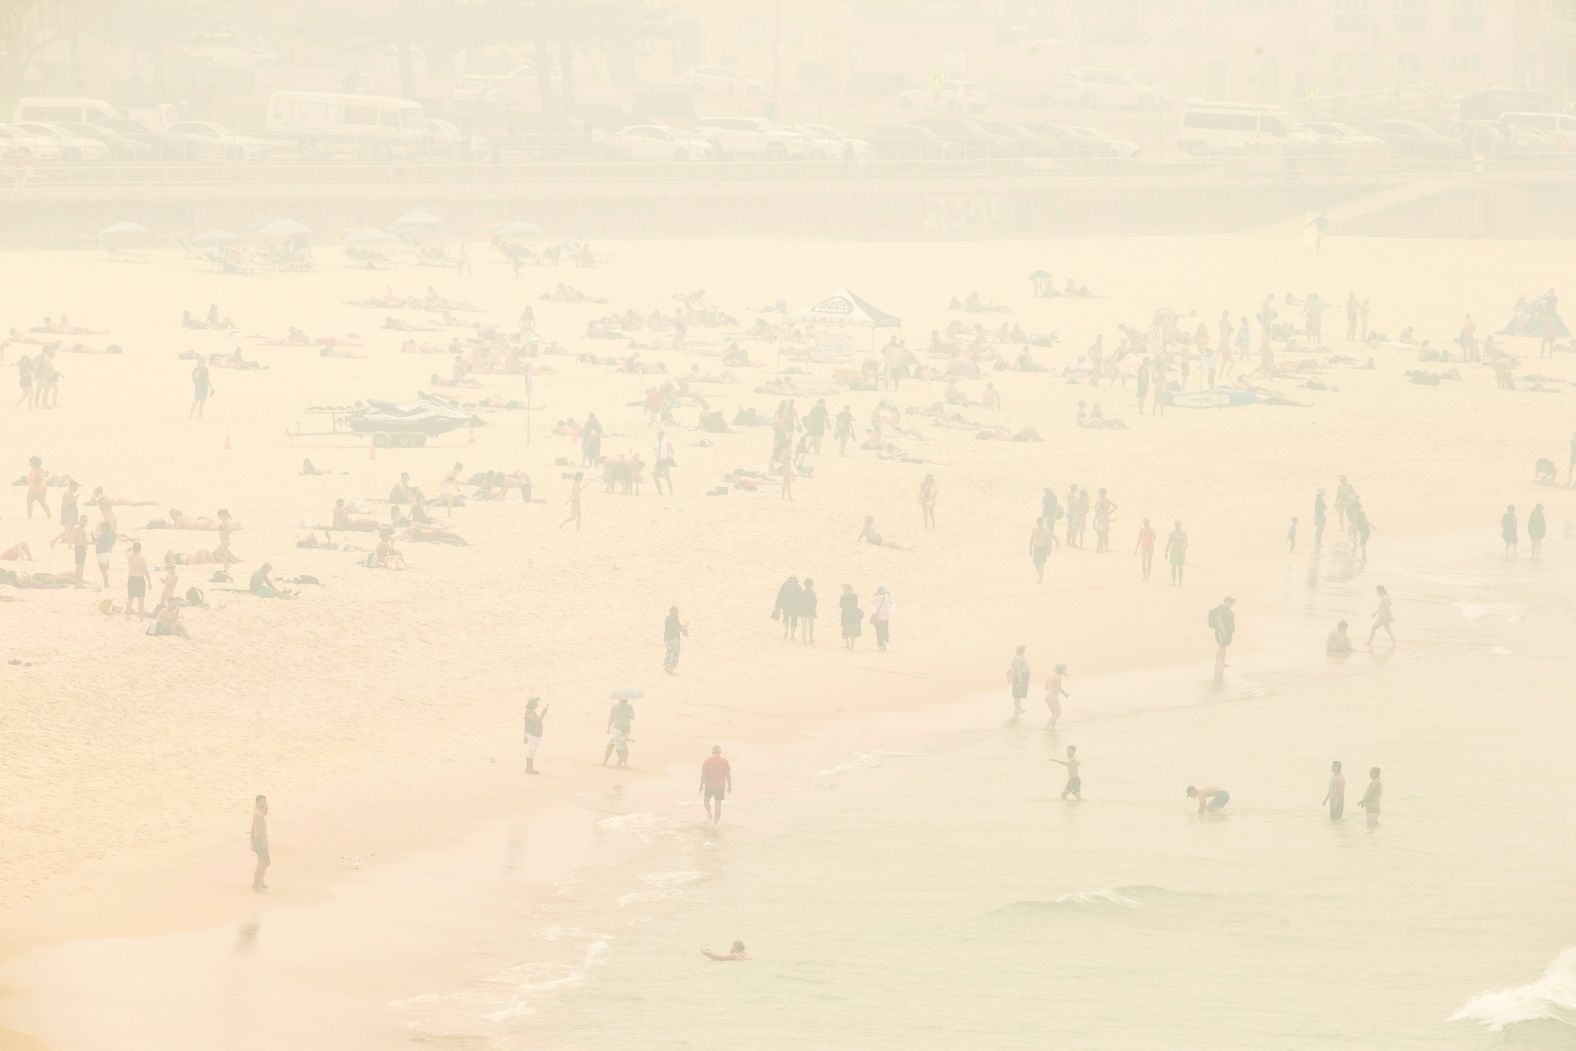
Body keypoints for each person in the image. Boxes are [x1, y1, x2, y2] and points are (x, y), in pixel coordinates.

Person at [700, 745, 732, 825]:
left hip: (709, 786)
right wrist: (729, 785)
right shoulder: (724, 761)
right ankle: (716, 824)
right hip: (720, 787)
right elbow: (728, 775)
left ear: (712, 751)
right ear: (720, 752)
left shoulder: (707, 760)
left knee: (706, 801)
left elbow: (703, 774)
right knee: (718, 805)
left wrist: (701, 785)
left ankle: (709, 812)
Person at [1208, 596, 1236, 683]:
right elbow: (1218, 619)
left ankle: (1222, 662)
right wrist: (1223, 630)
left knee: (1224, 646)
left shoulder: (1227, 609)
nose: (1231, 605)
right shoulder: (1220, 609)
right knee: (1221, 646)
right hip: (1221, 631)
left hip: (1227, 632)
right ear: (1226, 602)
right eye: (1230, 603)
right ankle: (1218, 662)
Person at [604, 696, 634, 767]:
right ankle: (622, 763)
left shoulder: (615, 706)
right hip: (624, 729)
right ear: (627, 699)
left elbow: (611, 717)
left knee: (611, 746)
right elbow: (632, 717)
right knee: (623, 747)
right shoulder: (629, 707)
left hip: (617, 729)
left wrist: (608, 728)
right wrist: (629, 715)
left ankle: (605, 762)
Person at [124, 541, 152, 619]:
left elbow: (125, 551)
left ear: (133, 549)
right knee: (140, 600)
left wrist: (131, 548)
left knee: (130, 599)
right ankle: (141, 617)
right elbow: (146, 571)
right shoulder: (141, 558)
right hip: (140, 579)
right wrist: (149, 582)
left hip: (132, 578)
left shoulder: (130, 557)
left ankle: (127, 616)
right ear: (140, 549)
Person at [250, 795, 270, 892]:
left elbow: (266, 813)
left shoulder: (259, 812)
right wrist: (257, 842)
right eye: (263, 801)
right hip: (260, 840)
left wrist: (266, 807)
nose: (265, 803)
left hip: (262, 839)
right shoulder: (257, 814)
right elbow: (255, 829)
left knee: (266, 862)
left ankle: (259, 881)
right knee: (261, 863)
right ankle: (256, 885)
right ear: (258, 802)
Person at [523, 697, 547, 775]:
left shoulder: (531, 712)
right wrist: (543, 713)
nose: (536, 705)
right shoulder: (529, 713)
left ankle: (529, 769)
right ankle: (529, 769)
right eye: (535, 703)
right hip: (532, 734)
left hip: (533, 734)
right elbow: (537, 721)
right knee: (531, 751)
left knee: (532, 751)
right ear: (532, 705)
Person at [775, 575, 803, 640]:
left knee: (785, 617)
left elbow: (780, 595)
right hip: (795, 606)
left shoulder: (784, 585)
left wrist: (777, 605)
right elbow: (801, 598)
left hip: (785, 605)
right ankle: (792, 636)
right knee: (794, 619)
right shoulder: (798, 586)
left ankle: (786, 631)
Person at [1044, 664, 1068, 731]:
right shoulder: (1058, 676)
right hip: (1053, 696)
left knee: (1054, 714)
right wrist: (1065, 694)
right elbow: (1059, 688)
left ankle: (1053, 728)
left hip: (1047, 696)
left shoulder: (1051, 674)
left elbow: (1045, 686)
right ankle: (1047, 726)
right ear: (1060, 670)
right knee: (1058, 713)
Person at [664, 606, 688, 673]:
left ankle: (667, 666)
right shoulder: (674, 618)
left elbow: (677, 627)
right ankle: (670, 668)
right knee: (674, 653)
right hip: (673, 638)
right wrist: (683, 630)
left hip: (667, 639)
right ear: (672, 612)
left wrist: (683, 630)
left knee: (669, 652)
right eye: (676, 611)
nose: (677, 613)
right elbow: (675, 628)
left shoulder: (668, 618)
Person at [1008, 645, 1030, 717]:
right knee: (1017, 692)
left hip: (1023, 676)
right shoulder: (1017, 658)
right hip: (1019, 676)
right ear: (1021, 650)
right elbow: (1017, 669)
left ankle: (1019, 708)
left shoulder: (1021, 657)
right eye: (1024, 649)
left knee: (1019, 692)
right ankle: (1017, 708)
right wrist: (1020, 679)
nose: (1025, 651)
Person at [869, 586, 894, 651]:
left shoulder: (876, 597)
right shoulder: (887, 597)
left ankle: (880, 645)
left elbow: (871, 605)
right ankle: (885, 641)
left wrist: (874, 612)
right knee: (885, 629)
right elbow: (892, 604)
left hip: (878, 616)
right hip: (886, 616)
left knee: (878, 630)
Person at [1030, 518, 1054, 583]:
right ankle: (1040, 574)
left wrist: (1049, 550)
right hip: (1036, 547)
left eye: (1040, 523)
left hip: (1043, 548)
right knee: (1036, 563)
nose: (1039, 524)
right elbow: (1032, 539)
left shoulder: (1046, 530)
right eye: (1038, 523)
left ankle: (1040, 577)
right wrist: (1030, 548)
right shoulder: (1034, 529)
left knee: (1041, 563)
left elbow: (1049, 541)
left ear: (1042, 523)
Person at [1164, 521, 1188, 585]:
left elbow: (1186, 544)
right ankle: (1174, 581)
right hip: (1173, 551)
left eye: (1179, 525)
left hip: (1181, 552)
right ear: (1174, 526)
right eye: (1176, 525)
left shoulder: (1183, 533)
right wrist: (1166, 552)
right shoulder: (1171, 533)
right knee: (1173, 566)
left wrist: (1184, 551)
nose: (1177, 527)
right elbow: (1168, 543)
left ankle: (1180, 582)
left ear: (1180, 526)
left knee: (1180, 567)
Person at [93, 518, 115, 587]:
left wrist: (91, 535)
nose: (101, 528)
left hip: (101, 553)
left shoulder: (103, 535)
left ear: (105, 527)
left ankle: (106, 583)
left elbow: (95, 541)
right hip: (106, 553)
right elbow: (112, 542)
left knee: (103, 570)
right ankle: (106, 582)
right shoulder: (110, 534)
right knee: (104, 569)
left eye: (102, 527)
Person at [839, 584, 861, 649]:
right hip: (854, 614)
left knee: (845, 629)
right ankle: (852, 646)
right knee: (853, 630)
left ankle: (847, 644)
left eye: (844, 588)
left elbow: (841, 606)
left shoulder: (843, 596)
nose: (843, 590)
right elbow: (856, 604)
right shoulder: (855, 596)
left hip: (845, 615)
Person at [1135, 517, 1156, 582]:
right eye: (1144, 523)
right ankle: (1144, 575)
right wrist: (1136, 549)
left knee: (1149, 562)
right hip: (1143, 546)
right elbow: (1139, 539)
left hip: (1150, 547)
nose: (1145, 524)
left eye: (1146, 522)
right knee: (1143, 562)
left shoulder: (1152, 530)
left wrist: (1154, 534)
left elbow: (1154, 539)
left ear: (1148, 523)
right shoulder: (1142, 530)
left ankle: (1147, 576)